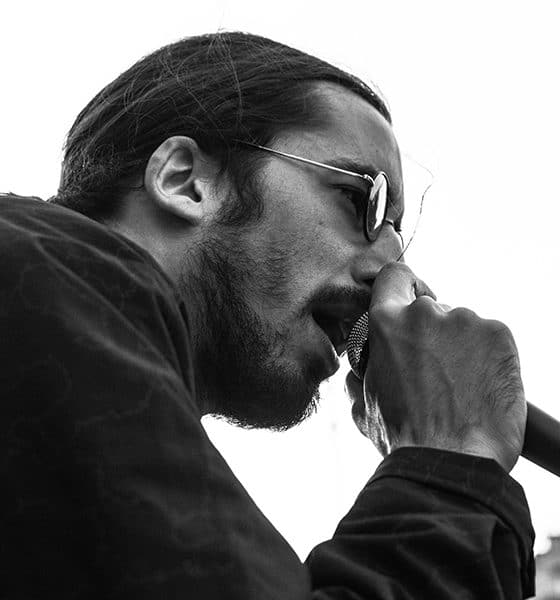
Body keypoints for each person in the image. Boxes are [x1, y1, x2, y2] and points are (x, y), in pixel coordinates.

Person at [0, 31, 534, 598]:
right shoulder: (40, 268)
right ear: (184, 181)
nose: (389, 270)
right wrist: (450, 466)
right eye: (360, 201)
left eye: (398, 238)